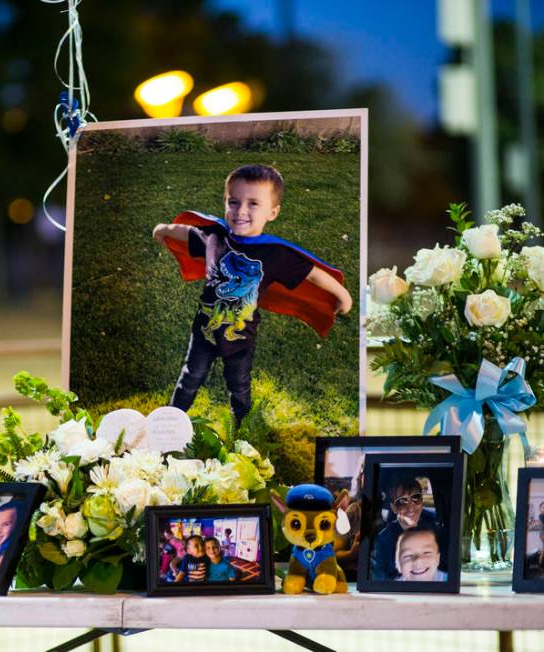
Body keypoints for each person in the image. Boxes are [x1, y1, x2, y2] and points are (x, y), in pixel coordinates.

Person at [153, 164, 352, 426]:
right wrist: (165, 229)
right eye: (233, 202)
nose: (241, 211)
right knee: (190, 377)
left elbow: (312, 273)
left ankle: (242, 427)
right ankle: (169, 424)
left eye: (253, 204)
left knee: (239, 385)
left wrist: (341, 294)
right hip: (204, 331)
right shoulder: (216, 235)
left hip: (241, 338)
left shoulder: (275, 253)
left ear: (273, 212)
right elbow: (189, 232)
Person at [371, 476, 443, 580]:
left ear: (422, 501)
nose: (410, 507)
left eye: (416, 498)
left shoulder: (435, 531)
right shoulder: (382, 541)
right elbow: (379, 579)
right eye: (402, 502)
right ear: (394, 508)